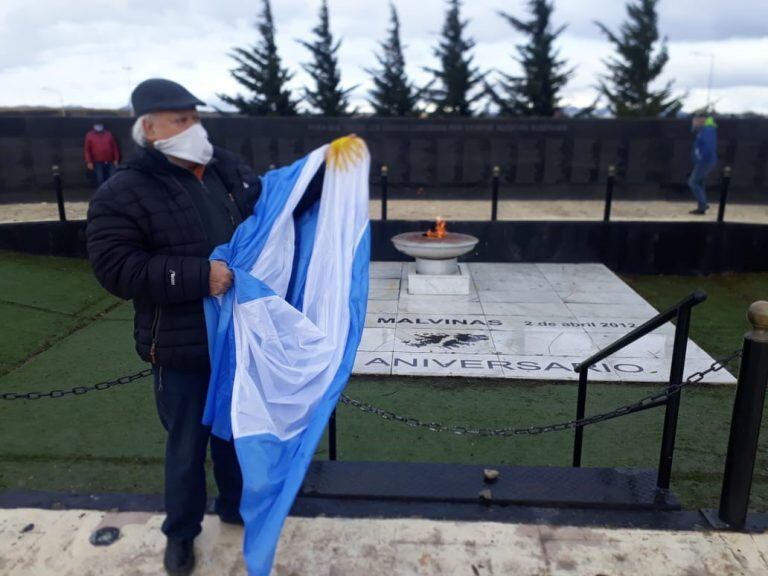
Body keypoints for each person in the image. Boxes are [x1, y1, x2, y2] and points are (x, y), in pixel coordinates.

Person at [86, 78, 262, 576]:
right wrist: (197, 277)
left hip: (237, 339)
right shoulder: (124, 191)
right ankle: (181, 535)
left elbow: (268, 207)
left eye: (195, 117)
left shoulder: (224, 169)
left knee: (234, 436)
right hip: (181, 347)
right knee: (187, 447)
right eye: (180, 120)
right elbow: (115, 267)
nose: (193, 128)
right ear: (149, 129)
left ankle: (235, 506)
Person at [688, 115, 718, 215]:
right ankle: (701, 207)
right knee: (700, 183)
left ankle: (703, 204)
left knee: (693, 182)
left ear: (701, 121)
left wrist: (701, 159)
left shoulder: (707, 130)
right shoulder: (706, 130)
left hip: (704, 161)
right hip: (705, 161)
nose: (693, 124)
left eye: (695, 121)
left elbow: (708, 147)